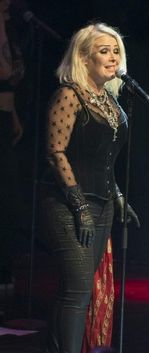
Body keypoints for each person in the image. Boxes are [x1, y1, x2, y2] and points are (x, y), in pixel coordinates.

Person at [40, 22, 140, 353]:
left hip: (103, 204)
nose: (113, 58)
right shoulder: (69, 95)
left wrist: (118, 196)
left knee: (78, 289)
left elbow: (106, 160)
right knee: (79, 289)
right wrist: (79, 204)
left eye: (116, 51)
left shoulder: (111, 104)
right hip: (68, 204)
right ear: (83, 58)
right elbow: (56, 154)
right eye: (103, 51)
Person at [0, 0, 24, 289]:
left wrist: (14, 114)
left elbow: (11, 82)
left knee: (8, 197)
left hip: (6, 116)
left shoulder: (11, 29)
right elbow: (4, 71)